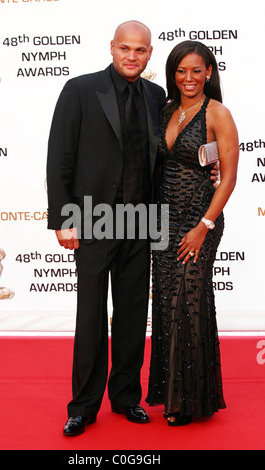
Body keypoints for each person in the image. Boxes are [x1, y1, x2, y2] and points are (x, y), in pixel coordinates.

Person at [46, 20, 166, 436]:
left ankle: (127, 397)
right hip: (94, 220)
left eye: (140, 50)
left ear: (150, 53)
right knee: (92, 316)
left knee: (133, 314)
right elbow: (60, 157)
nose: (132, 56)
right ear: (112, 48)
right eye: (125, 48)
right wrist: (63, 219)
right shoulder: (80, 89)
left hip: (142, 220)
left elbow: (162, 158)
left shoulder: (157, 96)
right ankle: (82, 406)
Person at [146, 40, 239, 426]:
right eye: (181, 71)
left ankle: (190, 401)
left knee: (190, 301)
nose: (188, 78)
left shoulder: (217, 113)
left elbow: (228, 178)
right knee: (169, 307)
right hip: (162, 223)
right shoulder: (165, 109)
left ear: (209, 73)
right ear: (173, 74)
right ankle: (174, 394)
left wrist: (205, 225)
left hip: (199, 222)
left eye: (196, 70)